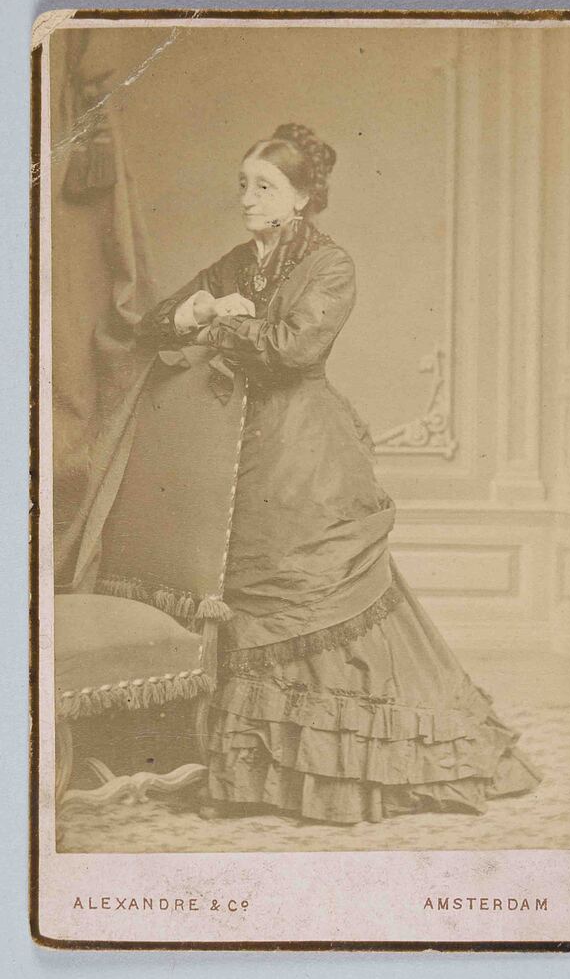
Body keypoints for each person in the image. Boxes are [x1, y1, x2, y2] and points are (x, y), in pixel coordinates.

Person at [123, 123, 542, 824]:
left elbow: (290, 350)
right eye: (243, 185)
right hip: (236, 454)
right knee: (247, 598)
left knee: (313, 590)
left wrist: (221, 324)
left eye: (264, 188)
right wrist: (204, 306)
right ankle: (253, 774)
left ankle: (340, 772)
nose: (247, 200)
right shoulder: (237, 263)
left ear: (301, 198)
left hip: (306, 454)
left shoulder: (330, 265)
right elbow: (156, 325)